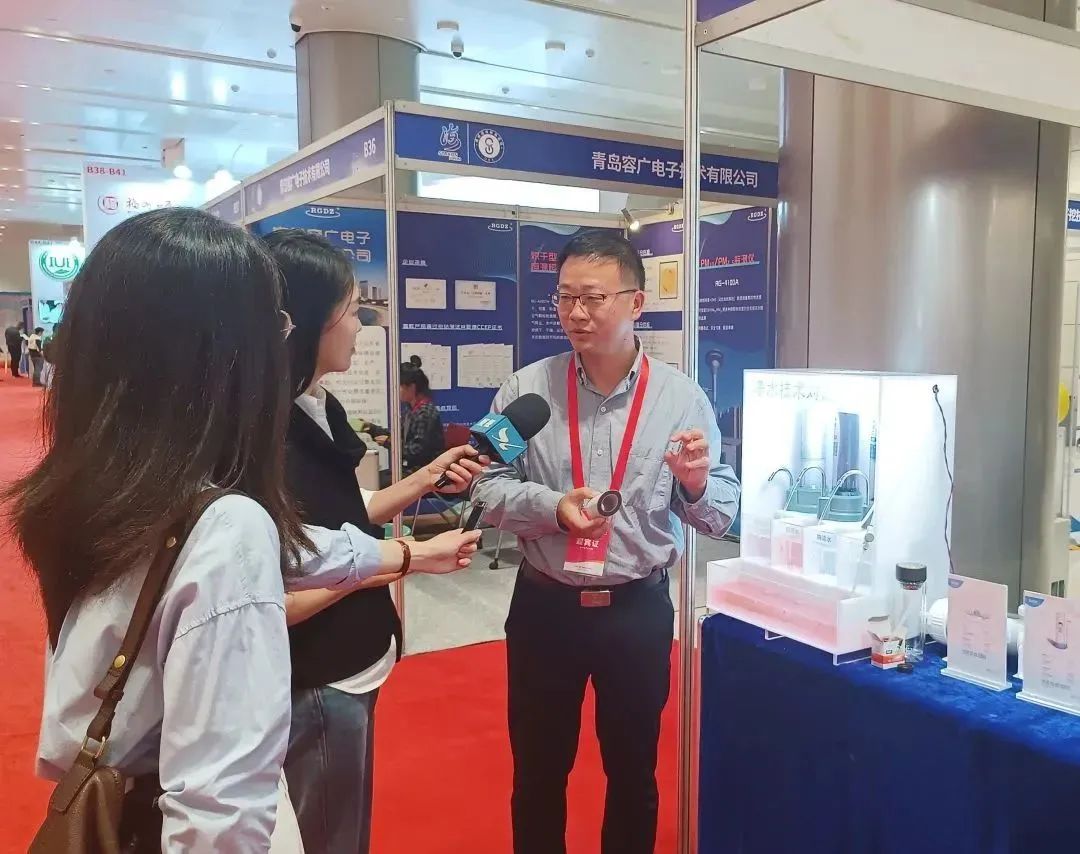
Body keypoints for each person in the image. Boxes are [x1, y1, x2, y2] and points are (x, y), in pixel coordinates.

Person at [6, 208, 481, 851]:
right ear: (215, 348)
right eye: (273, 323)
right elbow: (218, 812)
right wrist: (403, 557)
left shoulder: (113, 485)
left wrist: (404, 552)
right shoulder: (225, 523)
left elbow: (293, 547)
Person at [473, 231, 741, 854]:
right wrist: (552, 508)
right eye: (565, 297)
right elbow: (483, 487)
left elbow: (721, 515)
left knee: (633, 773)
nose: (576, 313)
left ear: (636, 303)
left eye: (593, 298)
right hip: (545, 608)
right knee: (538, 772)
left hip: (636, 610)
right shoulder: (524, 391)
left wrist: (696, 486)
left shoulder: (682, 400)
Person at [264, 230, 488, 853]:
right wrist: (403, 560)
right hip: (317, 677)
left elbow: (342, 515)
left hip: (359, 661)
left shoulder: (319, 405)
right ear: (305, 321)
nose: (361, 325)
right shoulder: (263, 435)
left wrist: (424, 478)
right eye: (349, 310)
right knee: (329, 836)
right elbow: (277, 590)